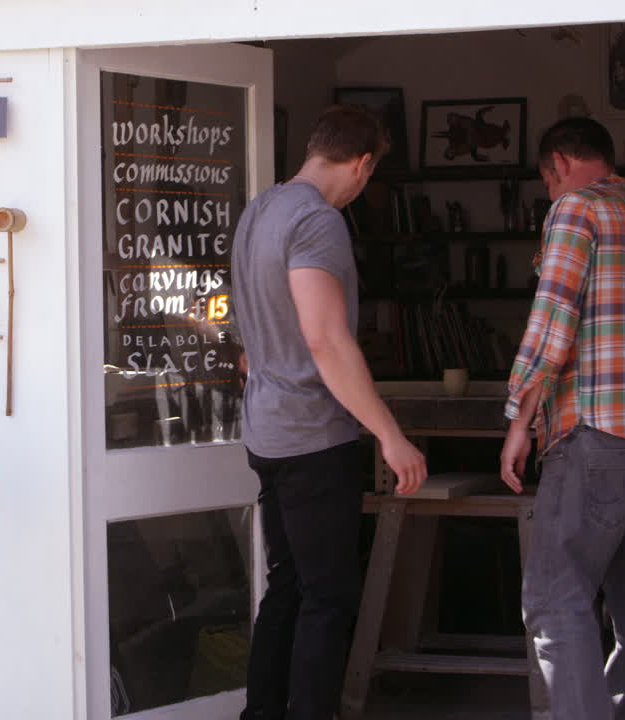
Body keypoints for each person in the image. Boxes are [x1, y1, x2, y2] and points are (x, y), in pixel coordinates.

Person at [232, 104, 428, 720]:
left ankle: (260, 713)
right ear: (363, 163)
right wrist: (390, 436)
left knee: (289, 586)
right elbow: (326, 339)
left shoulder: (259, 211)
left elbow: (250, 343)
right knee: (328, 596)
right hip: (314, 436)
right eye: (368, 176)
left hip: (265, 429)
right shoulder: (317, 220)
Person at [499, 117, 625, 720]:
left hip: (598, 428)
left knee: (557, 599)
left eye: (546, 181)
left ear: (559, 162)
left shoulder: (577, 209)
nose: (549, 195)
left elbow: (553, 317)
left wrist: (518, 420)